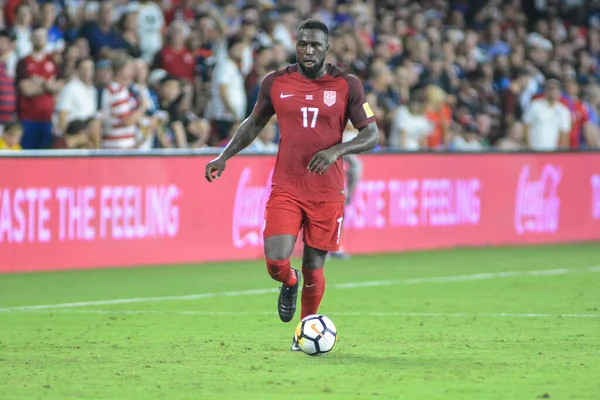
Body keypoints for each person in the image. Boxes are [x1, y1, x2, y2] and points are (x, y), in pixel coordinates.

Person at [204, 19, 378, 351]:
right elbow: (254, 122)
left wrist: (336, 150)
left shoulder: (347, 84)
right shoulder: (275, 82)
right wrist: (223, 156)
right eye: (302, 43)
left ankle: (303, 332)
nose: (308, 50)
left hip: (327, 191)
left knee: (315, 267)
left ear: (327, 48)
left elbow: (371, 133)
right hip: (287, 186)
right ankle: (289, 281)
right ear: (295, 45)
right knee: (275, 261)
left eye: (315, 44)